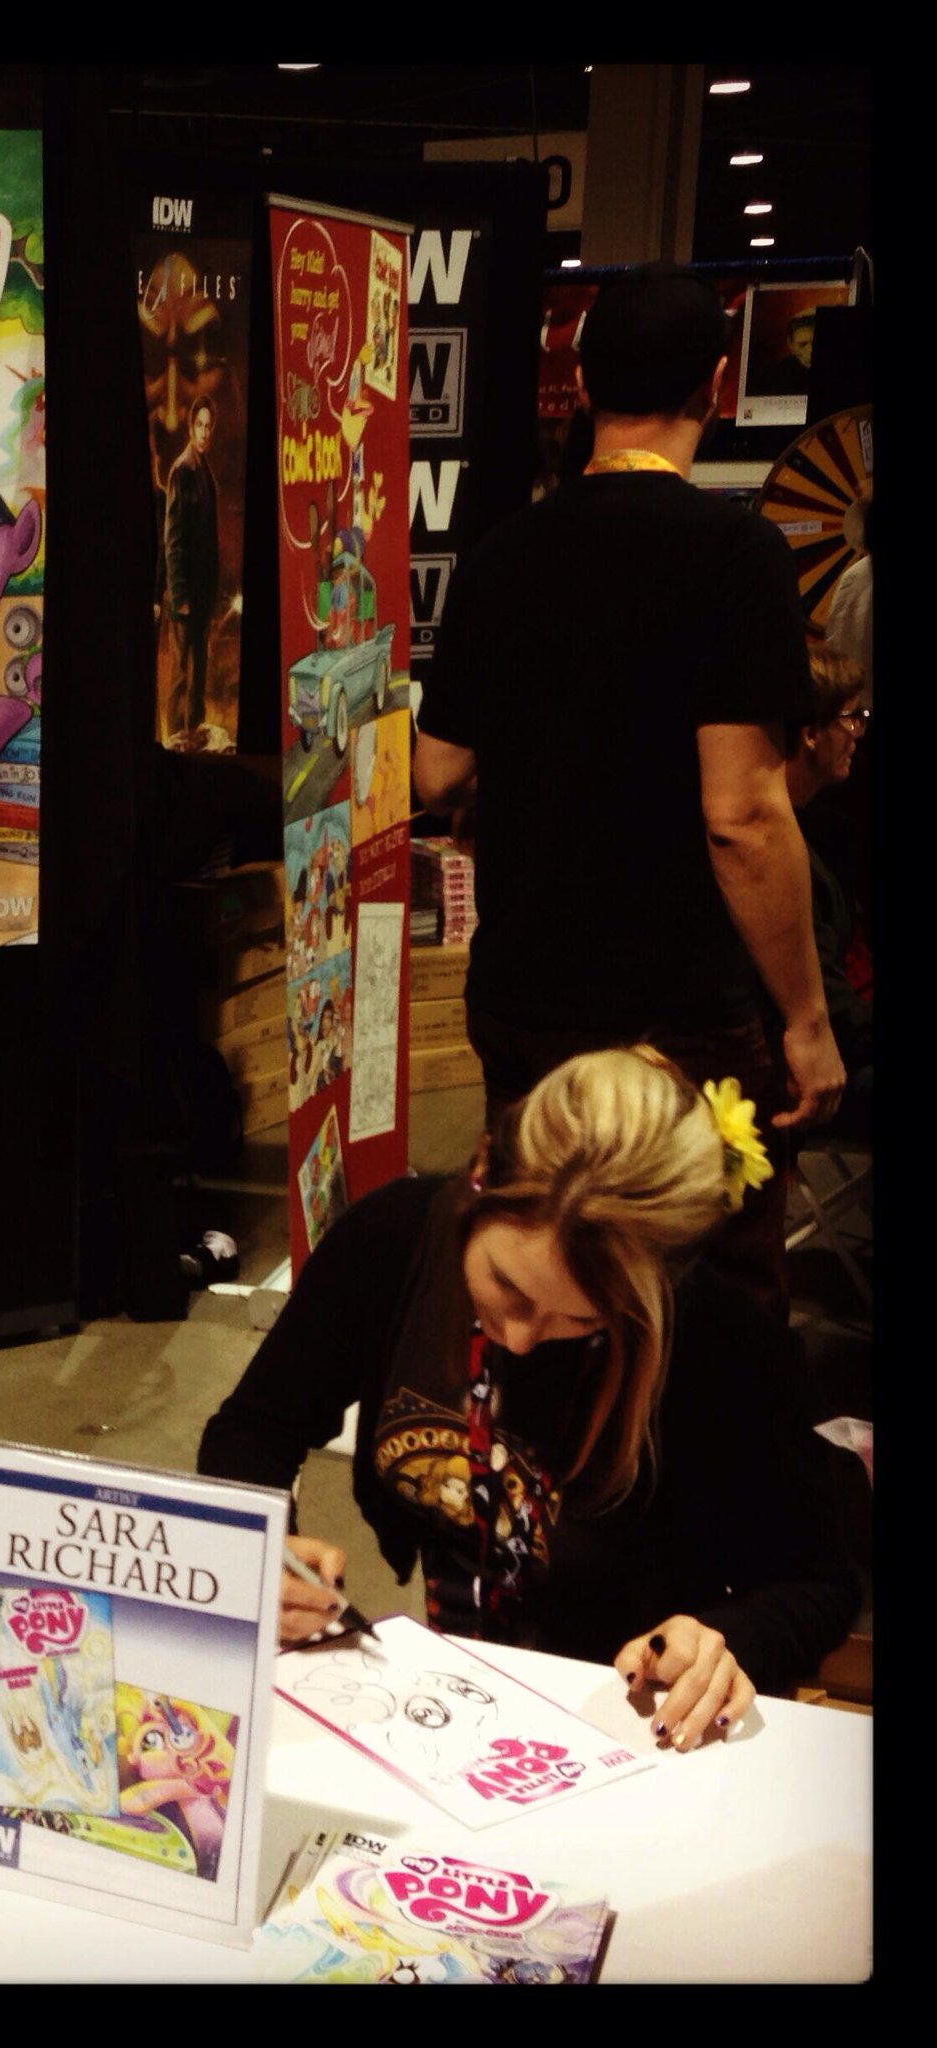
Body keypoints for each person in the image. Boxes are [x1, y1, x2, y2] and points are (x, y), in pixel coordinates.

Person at [198, 1047, 861, 1750]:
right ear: (482, 1172)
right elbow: (254, 1429)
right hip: (451, 1697)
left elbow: (820, 1582)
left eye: (579, 1320)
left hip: (629, 1720)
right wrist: (262, 1545)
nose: (518, 1338)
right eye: (505, 1286)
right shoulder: (389, 1241)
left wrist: (726, 1642)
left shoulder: (722, 1339)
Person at [413, 261, 843, 1310]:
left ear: (582, 381)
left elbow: (435, 770)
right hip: (675, 1012)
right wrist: (804, 1018)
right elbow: (741, 814)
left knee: (538, 1271)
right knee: (702, 1294)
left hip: (524, 999)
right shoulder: (734, 554)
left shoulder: (502, 554)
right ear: (715, 385)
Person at [782, 650, 872, 1138]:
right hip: (811, 1071)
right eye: (851, 717)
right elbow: (838, 1015)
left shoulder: (821, 828)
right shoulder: (781, 851)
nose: (859, 732)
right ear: (811, 733)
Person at [162, 397, 221, 739]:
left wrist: (211, 594)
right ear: (190, 428)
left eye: (208, 426)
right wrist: (181, 595)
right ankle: (174, 737)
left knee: (199, 670)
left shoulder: (204, 471)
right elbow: (174, 539)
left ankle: (194, 732)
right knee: (180, 674)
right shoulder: (182, 470)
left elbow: (209, 541)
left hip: (201, 594)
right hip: (184, 595)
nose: (204, 432)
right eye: (199, 425)